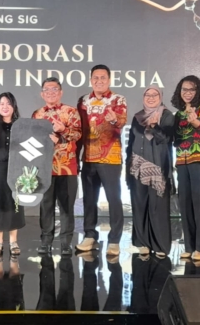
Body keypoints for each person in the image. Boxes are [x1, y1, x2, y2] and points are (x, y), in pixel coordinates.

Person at [76, 64, 127, 256]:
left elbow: (121, 122)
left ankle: (114, 240)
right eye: (95, 78)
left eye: (103, 77)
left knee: (114, 198)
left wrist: (114, 120)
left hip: (110, 157)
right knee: (89, 199)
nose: (99, 81)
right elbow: (79, 129)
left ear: (109, 79)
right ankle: (90, 235)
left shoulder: (118, 99)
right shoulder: (83, 101)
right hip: (89, 157)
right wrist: (77, 156)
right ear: (91, 80)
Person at [32, 77, 81, 255]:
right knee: (46, 206)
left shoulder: (71, 111)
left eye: (54, 89)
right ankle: (46, 241)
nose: (50, 92)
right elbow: (33, 139)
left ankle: (66, 243)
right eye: (47, 89)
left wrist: (63, 130)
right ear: (42, 94)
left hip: (67, 166)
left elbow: (77, 134)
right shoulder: (37, 114)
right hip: (45, 167)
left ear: (60, 92)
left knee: (66, 206)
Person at [126, 86, 175, 257]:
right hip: (137, 167)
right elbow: (130, 143)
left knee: (158, 206)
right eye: (148, 94)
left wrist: (154, 126)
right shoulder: (137, 116)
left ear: (161, 97)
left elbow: (167, 139)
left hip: (158, 168)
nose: (151, 97)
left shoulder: (167, 116)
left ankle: (160, 245)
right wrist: (128, 167)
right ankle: (142, 243)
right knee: (139, 205)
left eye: (155, 95)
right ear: (143, 97)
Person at [171, 75, 200, 261]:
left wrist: (196, 122)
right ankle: (189, 246)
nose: (187, 93)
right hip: (182, 162)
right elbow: (176, 138)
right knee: (185, 204)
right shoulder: (178, 114)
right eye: (184, 89)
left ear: (198, 91)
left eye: (191, 89)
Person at [0, 92, 25, 257]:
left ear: (13, 106)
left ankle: (14, 241)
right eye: (2, 103)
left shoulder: (21, 126)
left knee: (14, 203)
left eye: (8, 103)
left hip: (15, 168)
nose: (5, 106)